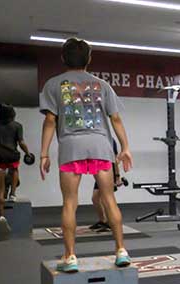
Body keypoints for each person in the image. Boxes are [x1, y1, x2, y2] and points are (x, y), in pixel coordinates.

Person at [39, 37, 133, 272]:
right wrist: (125, 147)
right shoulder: (102, 85)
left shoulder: (53, 85)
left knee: (70, 203)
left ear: (63, 58)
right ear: (89, 59)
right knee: (109, 199)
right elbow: (116, 119)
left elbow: (50, 121)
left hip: (71, 147)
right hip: (101, 146)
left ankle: (70, 256)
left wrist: (43, 154)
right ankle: (121, 250)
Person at [0, 104, 31, 204]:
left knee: (0, 175)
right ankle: (12, 194)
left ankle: (1, 195)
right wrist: (28, 153)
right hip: (12, 155)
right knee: (14, 170)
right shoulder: (17, 126)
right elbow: (21, 143)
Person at [89, 139, 120, 232]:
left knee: (106, 199)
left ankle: (112, 223)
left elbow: (115, 160)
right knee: (95, 198)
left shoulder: (111, 140)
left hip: (109, 172)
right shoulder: (94, 140)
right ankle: (103, 221)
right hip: (100, 171)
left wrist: (117, 177)